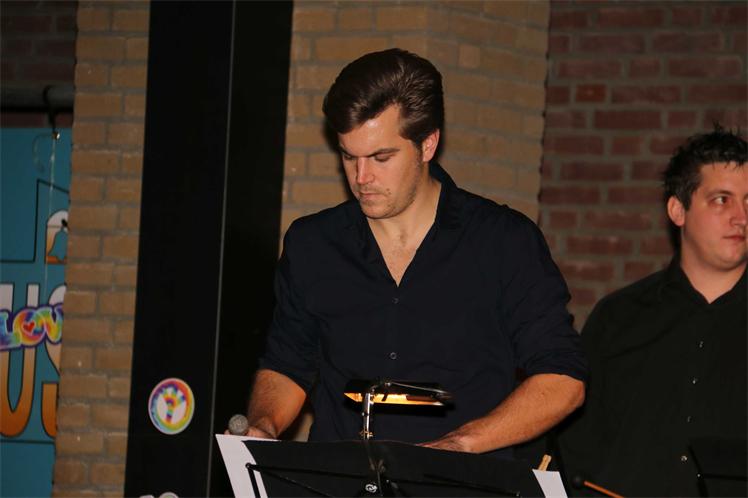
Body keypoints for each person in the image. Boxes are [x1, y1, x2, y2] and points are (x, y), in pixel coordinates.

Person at [242, 48, 586, 458]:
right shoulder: (312, 244)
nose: (361, 177)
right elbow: (287, 365)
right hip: (341, 478)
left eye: (381, 157)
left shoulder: (503, 242)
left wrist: (461, 444)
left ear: (427, 144)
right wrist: (264, 424)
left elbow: (562, 379)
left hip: (460, 482)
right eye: (348, 157)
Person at [556, 126, 747, 496]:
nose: (741, 216)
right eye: (722, 200)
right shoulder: (619, 317)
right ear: (678, 210)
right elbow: (575, 449)